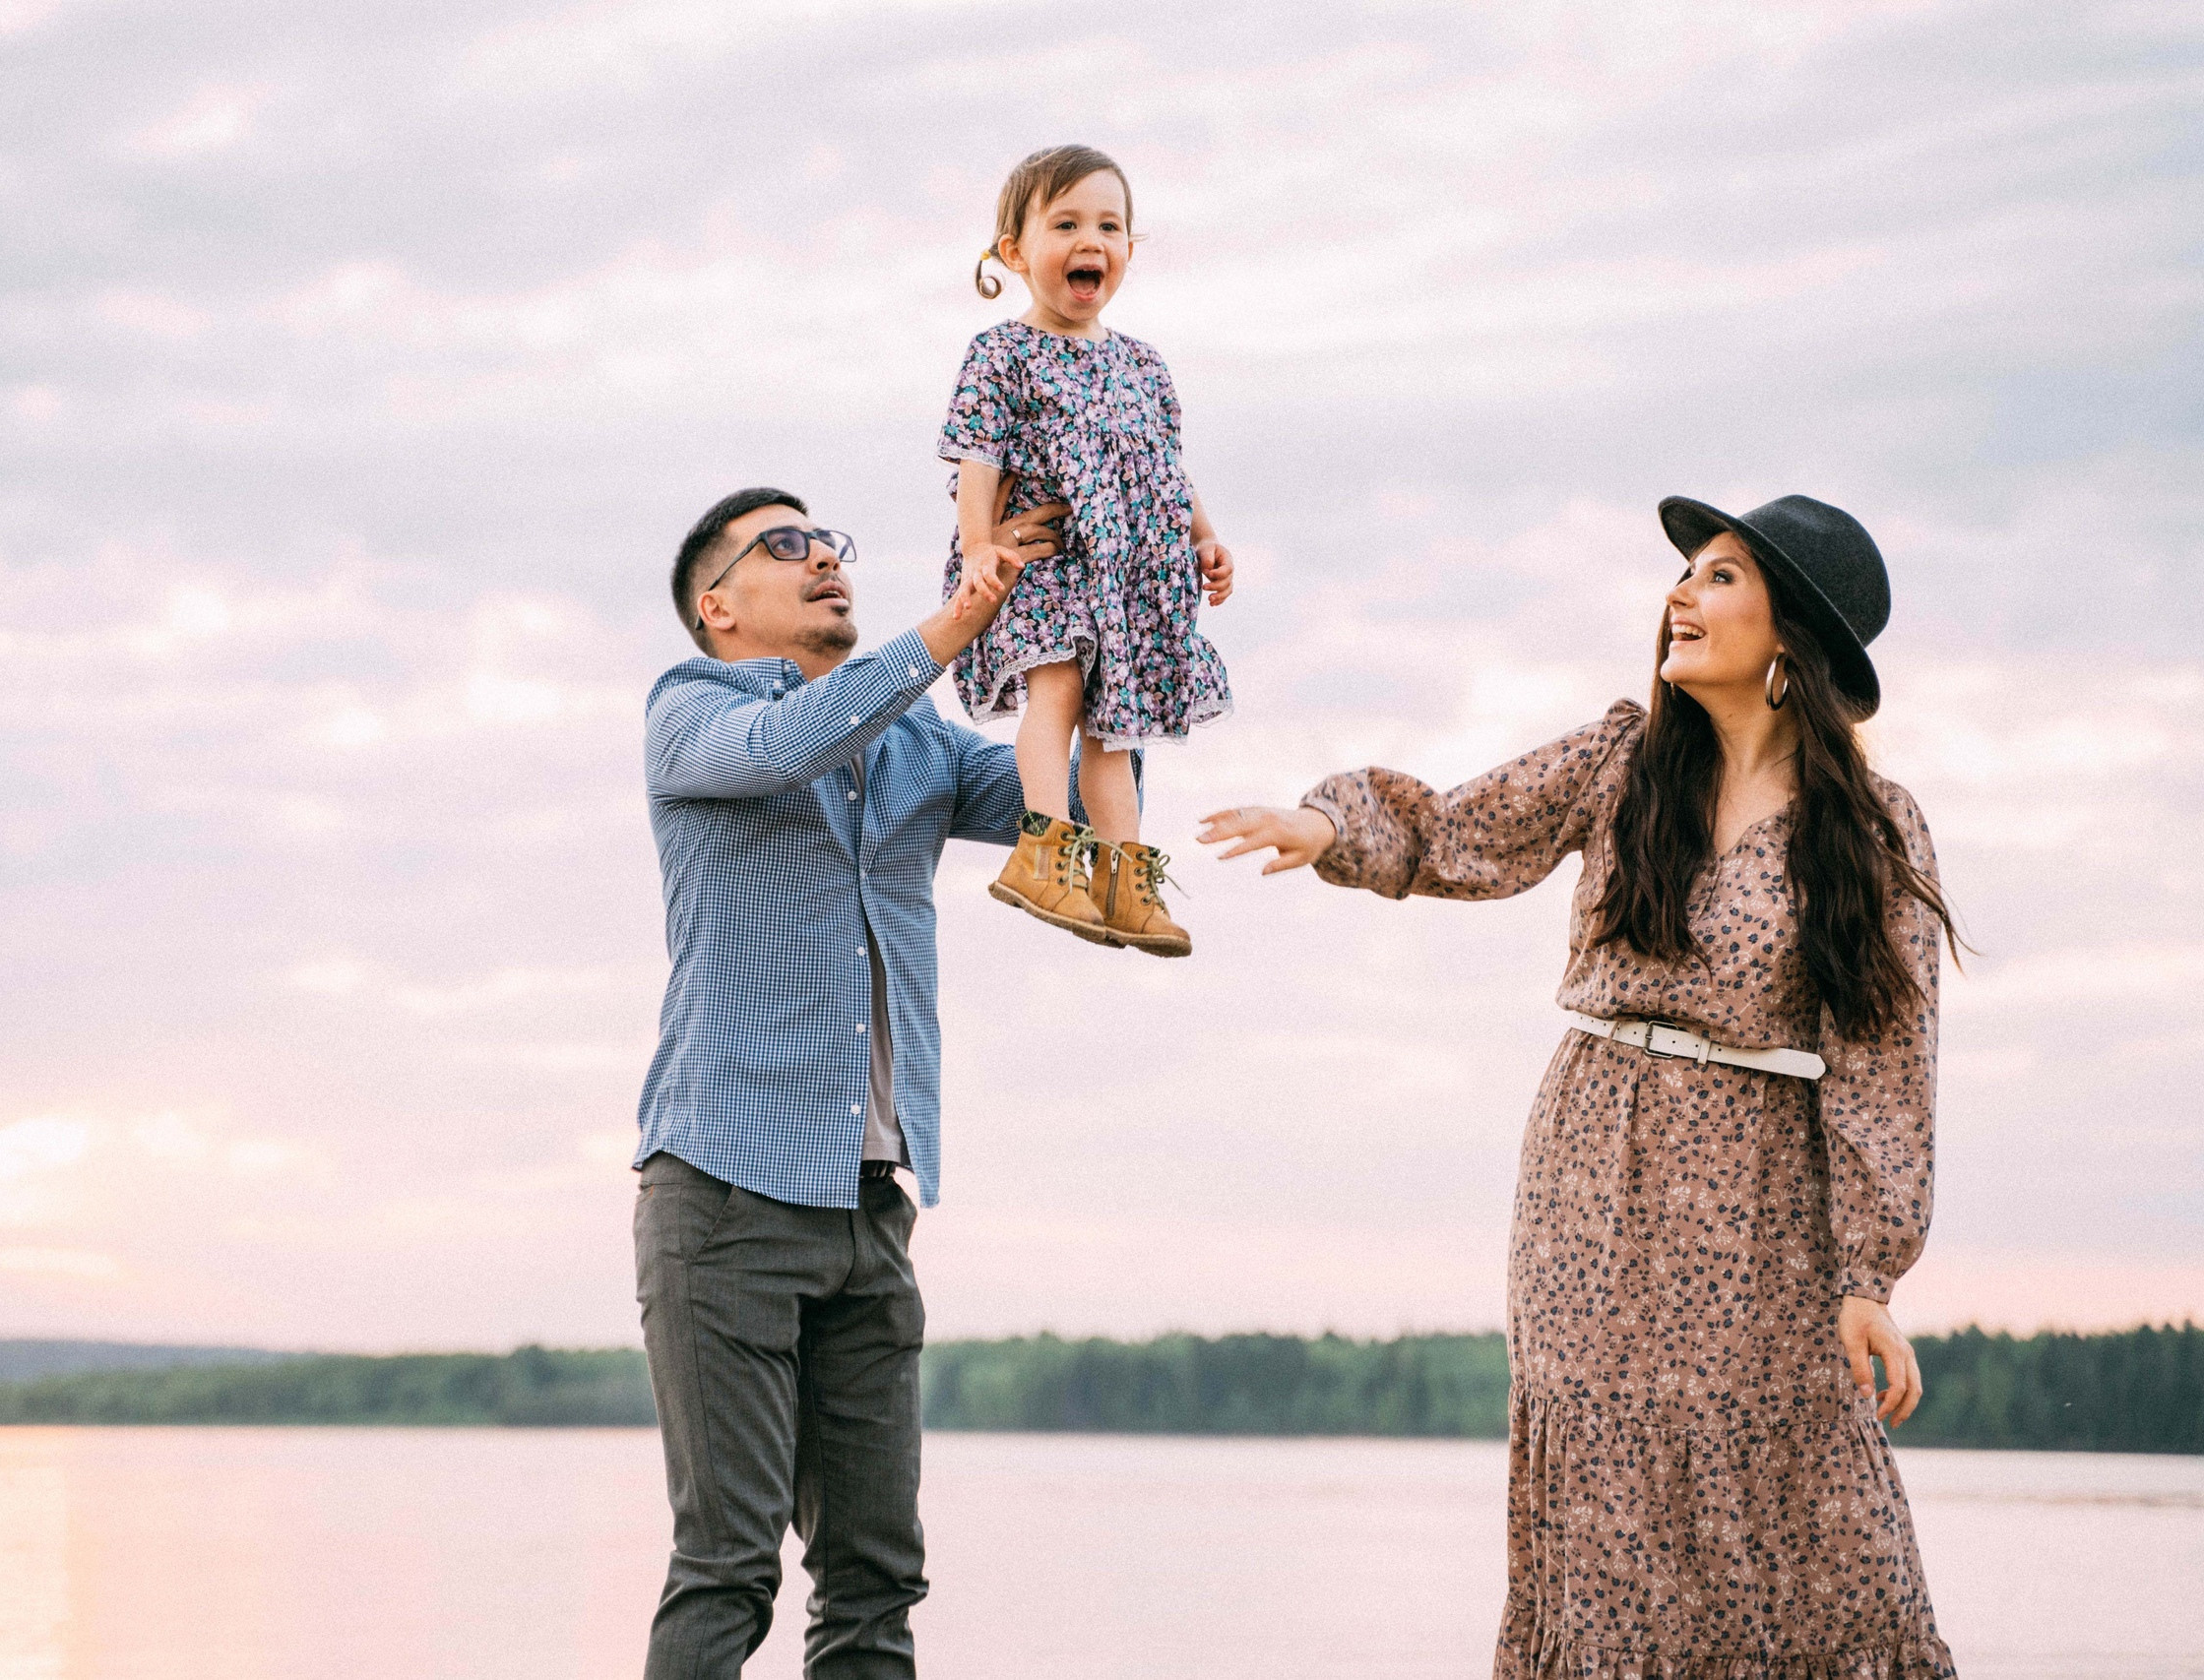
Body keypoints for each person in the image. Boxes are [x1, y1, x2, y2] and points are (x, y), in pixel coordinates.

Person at [1200, 495, 1962, 1679]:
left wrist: (1868, 1274)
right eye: (1685, 575)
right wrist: (1322, 826)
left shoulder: (1869, 831)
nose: (1679, 596)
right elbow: (1461, 831)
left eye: (1717, 578)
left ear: (1791, 637)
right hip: (1591, 1173)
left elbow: (1885, 1058)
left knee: (1809, 1494)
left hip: (1760, 1195)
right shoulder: (1623, 761)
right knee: (1605, 1492)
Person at [634, 482, 1149, 1679]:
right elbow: (787, 747)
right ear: (717, 607)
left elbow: (1068, 801)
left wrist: (1098, 632)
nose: (823, 558)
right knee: (727, 1562)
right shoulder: (689, 711)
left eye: (829, 541)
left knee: (875, 1576)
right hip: (723, 1200)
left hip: (870, 1210)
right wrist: (962, 618)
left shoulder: (914, 741)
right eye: (784, 546)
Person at [940, 143, 1237, 957]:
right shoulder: (1002, 353)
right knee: (1060, 695)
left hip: (1132, 577)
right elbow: (978, 455)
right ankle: (1046, 848)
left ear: (1129, 252)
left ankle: (1121, 876)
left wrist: (1203, 538)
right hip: (1051, 562)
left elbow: (1165, 469)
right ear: (1014, 252)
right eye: (1065, 222)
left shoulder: (1144, 363)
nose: (1091, 240)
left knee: (1118, 728)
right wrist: (976, 546)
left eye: (1109, 226)